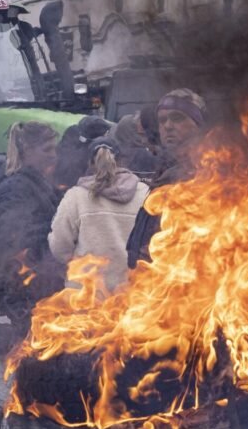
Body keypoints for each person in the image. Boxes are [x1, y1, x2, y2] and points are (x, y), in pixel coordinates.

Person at [0, 121, 64, 339]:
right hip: (26, 291)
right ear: (28, 151)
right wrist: (55, 233)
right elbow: (13, 240)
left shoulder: (38, 183)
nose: (54, 156)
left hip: (39, 286)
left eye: (55, 149)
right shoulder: (16, 188)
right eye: (47, 149)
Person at [48, 138, 146, 290]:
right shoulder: (145, 193)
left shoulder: (76, 196)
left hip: (84, 294)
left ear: (89, 163)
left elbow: (59, 246)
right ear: (122, 161)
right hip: (129, 295)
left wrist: (74, 264)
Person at [126, 88, 208, 269]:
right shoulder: (165, 170)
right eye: (162, 120)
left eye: (177, 118)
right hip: (152, 285)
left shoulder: (204, 173)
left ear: (198, 124)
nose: (168, 126)